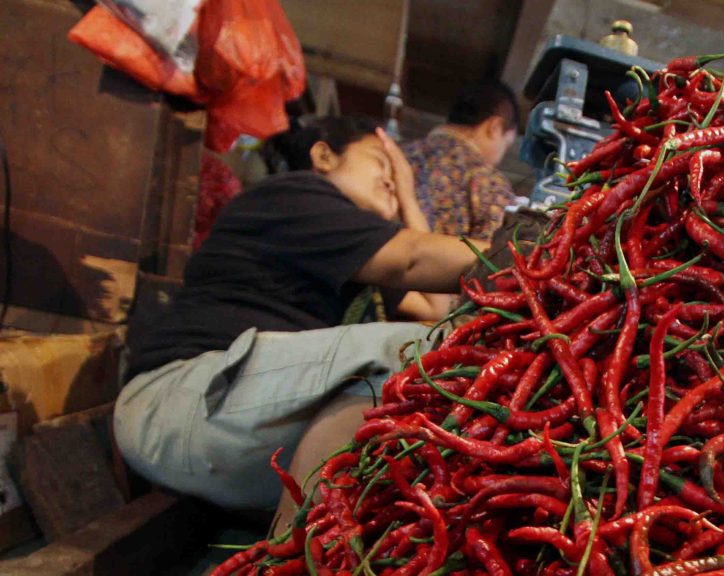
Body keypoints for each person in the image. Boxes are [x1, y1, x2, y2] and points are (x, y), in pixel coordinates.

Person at [114, 116, 480, 516]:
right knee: (416, 354)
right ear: (323, 156)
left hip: (226, 423)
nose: (393, 178)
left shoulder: (352, 249)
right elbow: (412, 260)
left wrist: (408, 194)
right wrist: (541, 246)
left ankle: (300, 550)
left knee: (425, 376)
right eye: (382, 162)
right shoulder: (294, 196)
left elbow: (433, 304)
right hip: (177, 403)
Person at [402, 79, 521, 241]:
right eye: (506, 145)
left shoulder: (398, 155)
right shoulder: (488, 181)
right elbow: (497, 258)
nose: (500, 158)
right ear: (494, 127)